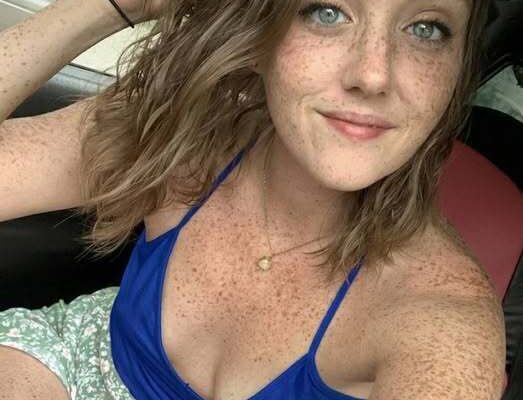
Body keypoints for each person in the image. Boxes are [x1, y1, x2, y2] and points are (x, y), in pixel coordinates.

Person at [0, 0, 506, 399]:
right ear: (262, 31)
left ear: (456, 72)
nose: (373, 74)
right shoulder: (184, 140)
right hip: (70, 367)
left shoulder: (442, 324)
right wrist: (111, 6)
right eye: (326, 11)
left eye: (426, 28)